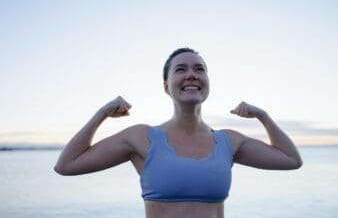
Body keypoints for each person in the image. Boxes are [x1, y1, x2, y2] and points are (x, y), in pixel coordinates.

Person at [54, 48, 303, 218]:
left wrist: (263, 116)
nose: (191, 75)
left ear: (208, 82)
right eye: (181, 69)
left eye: (200, 69)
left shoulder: (229, 141)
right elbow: (66, 164)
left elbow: (291, 160)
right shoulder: (141, 138)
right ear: (166, 87)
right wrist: (102, 113)